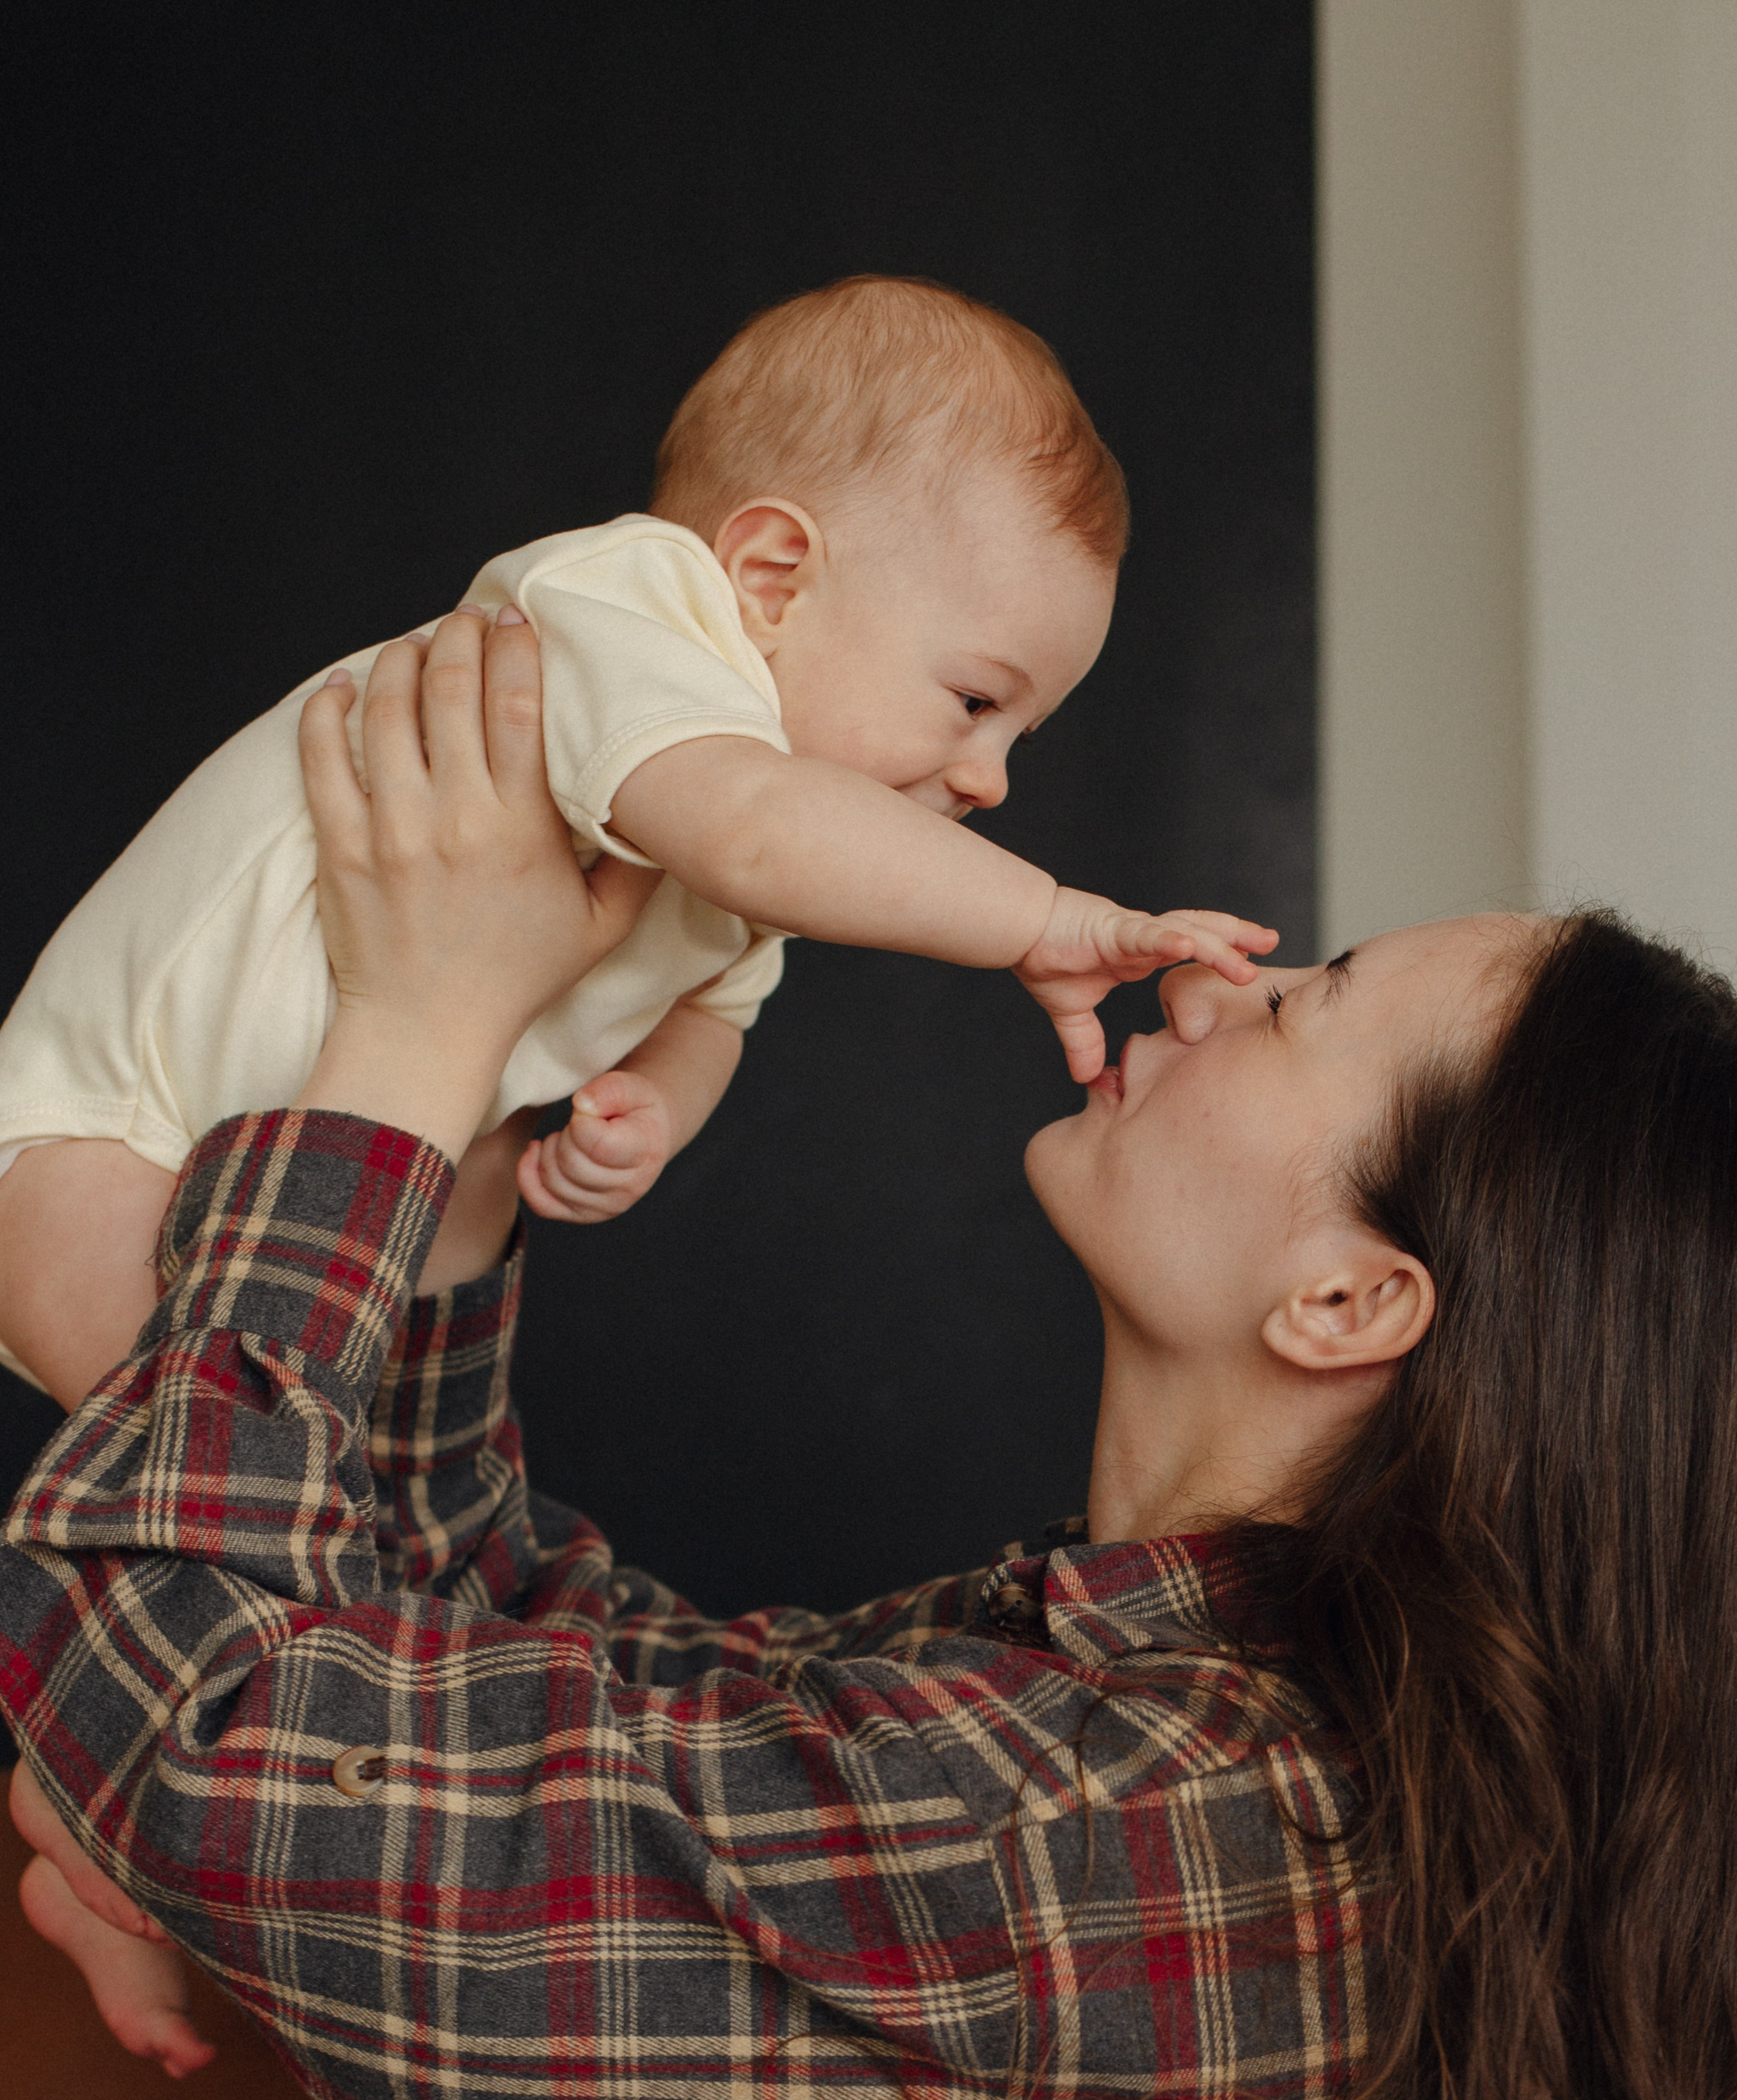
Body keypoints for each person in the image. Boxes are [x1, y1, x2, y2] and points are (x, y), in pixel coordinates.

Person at [1, 614, 1737, 2100]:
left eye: (1301, 1002)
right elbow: (533, 1697)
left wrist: (408, 1035)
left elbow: (206, 1726)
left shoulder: (1139, 1829)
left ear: (1351, 1294)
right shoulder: (1117, 1719)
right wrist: (477, 1165)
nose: (1206, 986)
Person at [0, 274, 1273, 1408]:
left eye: (1022, 739)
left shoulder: (757, 861)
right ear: (772, 577)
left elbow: (718, 1013)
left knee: (298, 1493)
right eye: (977, 702)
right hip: (105, 1133)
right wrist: (1045, 922)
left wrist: (653, 1107)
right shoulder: (630, 611)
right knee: (188, 1465)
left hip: (309, 1210)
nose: (991, 779)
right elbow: (759, 836)